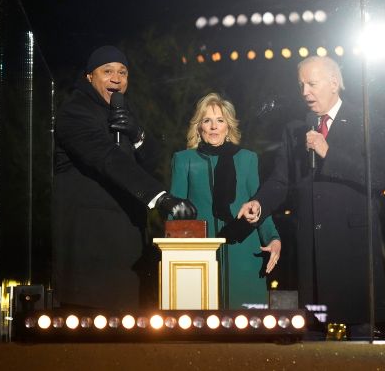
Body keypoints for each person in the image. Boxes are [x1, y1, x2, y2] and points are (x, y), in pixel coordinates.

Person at [237, 55, 385, 339]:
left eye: (312, 83)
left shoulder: (366, 119)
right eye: (301, 85)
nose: (304, 92)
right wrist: (260, 202)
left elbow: (379, 176)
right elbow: (281, 181)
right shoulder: (296, 129)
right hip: (310, 247)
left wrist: (328, 152)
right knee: (310, 332)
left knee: (362, 335)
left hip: (353, 247)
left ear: (334, 83)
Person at [51, 45, 197, 311]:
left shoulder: (124, 112)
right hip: (91, 248)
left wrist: (138, 134)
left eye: (122, 72)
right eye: (107, 71)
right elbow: (108, 158)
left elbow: (151, 161)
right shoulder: (75, 112)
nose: (116, 78)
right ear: (89, 77)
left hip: (126, 247)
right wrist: (160, 198)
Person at [170, 93, 281, 309]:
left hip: (243, 251)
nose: (213, 126)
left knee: (247, 324)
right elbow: (174, 212)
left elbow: (258, 204)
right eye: (207, 120)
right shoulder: (184, 160)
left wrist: (273, 238)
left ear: (228, 126)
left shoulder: (248, 159)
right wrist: (175, 255)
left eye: (220, 120)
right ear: (199, 127)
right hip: (198, 254)